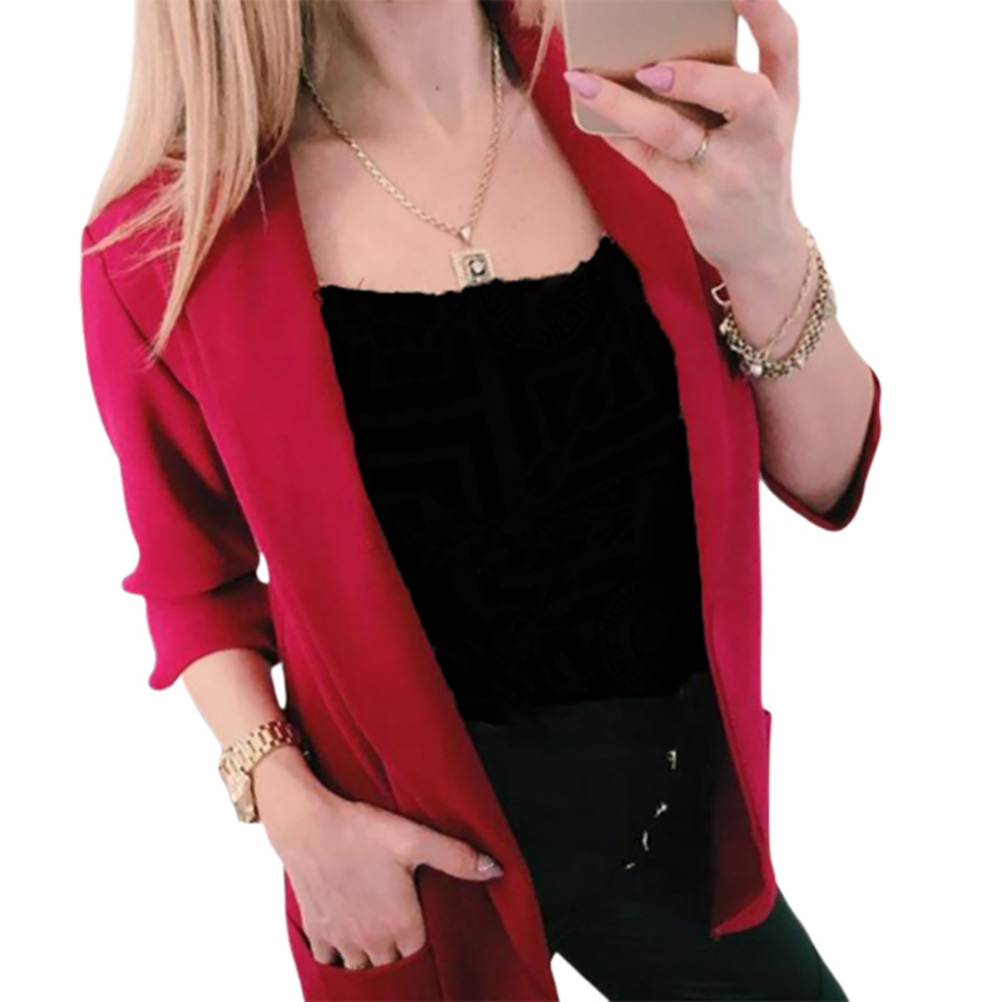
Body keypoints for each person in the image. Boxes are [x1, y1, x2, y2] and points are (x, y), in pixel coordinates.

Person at [79, 1, 881, 999]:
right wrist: (290, 808)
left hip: (672, 831)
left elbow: (829, 471)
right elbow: (193, 583)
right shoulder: (162, 245)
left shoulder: (639, 112)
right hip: (418, 880)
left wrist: (765, 246)